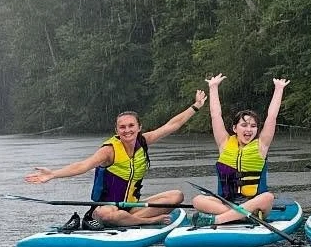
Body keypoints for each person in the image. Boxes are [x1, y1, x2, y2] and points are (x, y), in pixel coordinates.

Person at [24, 92, 208, 229]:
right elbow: (83, 165)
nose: (127, 130)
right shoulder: (109, 151)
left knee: (176, 196)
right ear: (117, 129)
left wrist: (196, 106)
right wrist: (53, 174)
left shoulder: (143, 141)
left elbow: (172, 125)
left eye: (131, 126)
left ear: (139, 127)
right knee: (107, 213)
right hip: (106, 209)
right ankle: (148, 222)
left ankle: (132, 220)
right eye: (122, 127)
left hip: (132, 207)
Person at [191, 74, 288, 225]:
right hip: (227, 202)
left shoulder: (261, 145)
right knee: (198, 200)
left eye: (253, 126)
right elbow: (215, 116)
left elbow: (272, 117)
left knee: (268, 197)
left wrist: (279, 89)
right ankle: (242, 216)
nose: (249, 129)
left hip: (255, 204)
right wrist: (213, 87)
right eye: (244, 125)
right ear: (235, 128)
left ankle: (217, 219)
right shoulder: (224, 143)